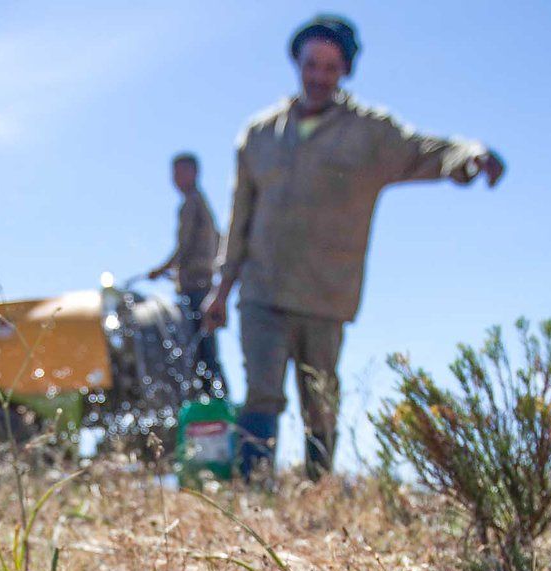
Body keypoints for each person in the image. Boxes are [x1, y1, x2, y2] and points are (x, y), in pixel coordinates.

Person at [202, 14, 505, 479]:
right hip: (262, 289)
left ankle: (318, 486)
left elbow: (425, 150)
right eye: (311, 65)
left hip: (326, 292)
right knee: (262, 391)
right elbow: (239, 217)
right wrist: (222, 291)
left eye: (331, 67)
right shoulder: (260, 134)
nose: (319, 76)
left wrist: (469, 157)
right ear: (297, 64)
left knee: (319, 399)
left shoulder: (370, 133)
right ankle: (252, 492)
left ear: (345, 70)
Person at [147, 152, 226, 396]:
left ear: (194, 173)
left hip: (197, 288)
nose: (176, 178)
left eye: (180, 172)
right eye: (174, 173)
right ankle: (214, 400)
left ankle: (214, 403)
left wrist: (162, 269)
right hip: (199, 284)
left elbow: (184, 248)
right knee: (204, 351)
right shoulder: (201, 204)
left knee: (200, 351)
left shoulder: (192, 204)